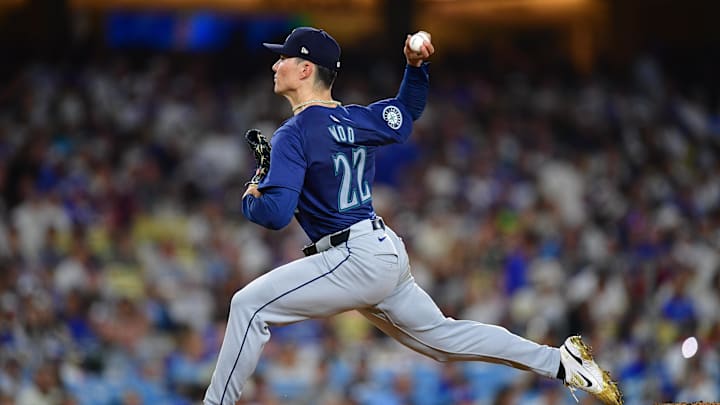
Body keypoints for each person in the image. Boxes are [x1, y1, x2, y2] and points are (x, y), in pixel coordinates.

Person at [203, 27, 622, 405]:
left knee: (249, 306)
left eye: (284, 58)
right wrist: (415, 66)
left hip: (353, 257)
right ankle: (562, 362)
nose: (275, 64)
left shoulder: (292, 134)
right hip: (380, 250)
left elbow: (274, 214)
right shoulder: (354, 117)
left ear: (305, 68)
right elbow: (406, 113)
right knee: (443, 339)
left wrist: (252, 195)